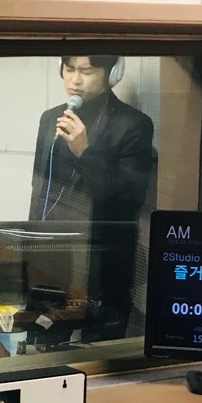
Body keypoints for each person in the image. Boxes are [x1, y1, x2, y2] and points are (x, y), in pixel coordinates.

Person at [28, 55, 155, 340]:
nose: (75, 80)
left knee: (100, 352)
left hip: (105, 263)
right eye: (69, 69)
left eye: (86, 71)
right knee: (43, 347)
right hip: (56, 260)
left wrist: (85, 152)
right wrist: (30, 251)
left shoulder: (134, 124)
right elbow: (40, 191)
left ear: (112, 74)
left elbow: (130, 197)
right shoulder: (51, 119)